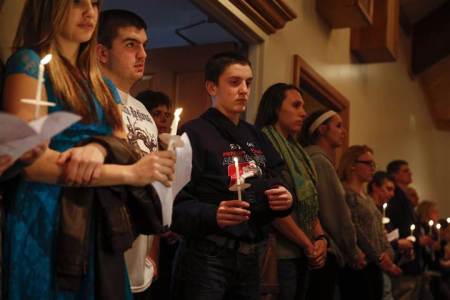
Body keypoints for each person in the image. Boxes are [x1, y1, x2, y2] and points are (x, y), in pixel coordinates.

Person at [2, 1, 174, 298]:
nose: (89, 11)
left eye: (94, 3)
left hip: (98, 217)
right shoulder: (30, 62)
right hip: (47, 213)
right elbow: (32, 162)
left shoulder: (98, 82)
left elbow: (118, 143)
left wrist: (98, 147)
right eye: (76, 3)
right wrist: (130, 173)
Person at [171, 52, 293, 300]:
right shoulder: (193, 133)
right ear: (212, 87)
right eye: (234, 82)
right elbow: (173, 205)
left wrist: (284, 199)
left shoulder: (255, 135)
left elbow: (275, 176)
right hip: (208, 257)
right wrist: (213, 214)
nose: (244, 90)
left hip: (250, 257)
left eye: (248, 82)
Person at [97, 9, 166, 299]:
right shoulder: (90, 98)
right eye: (130, 44)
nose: (143, 54)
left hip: (140, 267)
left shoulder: (142, 112)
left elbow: (154, 189)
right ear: (102, 53)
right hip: (102, 252)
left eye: (144, 45)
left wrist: (153, 254)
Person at [254, 83, 327, 300]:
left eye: (303, 106)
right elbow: (271, 204)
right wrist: (308, 243)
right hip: (280, 252)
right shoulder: (262, 144)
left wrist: (321, 238)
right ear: (277, 108)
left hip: (302, 251)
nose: (303, 113)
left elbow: (308, 201)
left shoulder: (297, 150)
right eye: (296, 105)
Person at [299, 110, 365, 299]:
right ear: (322, 129)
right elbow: (336, 214)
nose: (343, 131)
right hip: (325, 250)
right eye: (338, 126)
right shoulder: (320, 161)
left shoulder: (312, 158)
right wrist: (353, 251)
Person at [338, 145, 399, 300]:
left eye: (374, 164)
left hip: (374, 265)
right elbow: (354, 229)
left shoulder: (366, 198)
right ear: (352, 164)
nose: (373, 168)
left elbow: (379, 230)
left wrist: (388, 254)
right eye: (368, 163)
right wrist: (379, 257)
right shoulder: (346, 193)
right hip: (360, 263)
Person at [386, 160, 431, 300]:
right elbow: (397, 227)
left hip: (413, 259)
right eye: (405, 171)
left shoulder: (404, 197)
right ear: (394, 175)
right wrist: (417, 240)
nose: (410, 173)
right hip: (404, 259)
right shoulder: (395, 198)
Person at [368, 171, 406, 300]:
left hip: (386, 267)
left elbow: (388, 237)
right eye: (388, 189)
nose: (392, 194)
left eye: (393, 190)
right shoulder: (368, 209)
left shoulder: (382, 212)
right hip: (374, 268)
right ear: (375, 187)